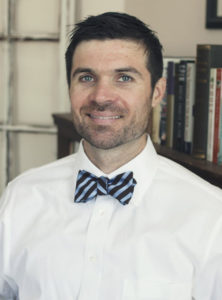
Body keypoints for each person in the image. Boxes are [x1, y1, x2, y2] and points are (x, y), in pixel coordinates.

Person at [0, 12, 222, 300]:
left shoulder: (211, 215)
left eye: (124, 77)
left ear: (157, 92)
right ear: (69, 86)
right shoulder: (21, 196)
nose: (102, 96)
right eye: (87, 77)